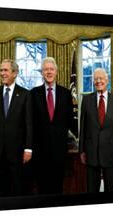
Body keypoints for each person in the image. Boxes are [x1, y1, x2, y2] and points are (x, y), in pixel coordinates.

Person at [0, 59, 33, 197]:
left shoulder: (25, 94)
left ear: (15, 73)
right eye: (1, 70)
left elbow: (29, 123)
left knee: (16, 188)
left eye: (6, 70)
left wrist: (28, 148)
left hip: (16, 152)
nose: (2, 73)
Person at [31, 57, 74, 195]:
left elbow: (70, 121)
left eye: (51, 69)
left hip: (59, 150)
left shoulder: (66, 94)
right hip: (40, 151)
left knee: (58, 187)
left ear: (56, 72)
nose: (48, 72)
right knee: (42, 188)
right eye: (45, 69)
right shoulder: (33, 94)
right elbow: (30, 122)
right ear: (42, 73)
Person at [79, 68, 113, 193]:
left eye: (101, 78)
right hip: (91, 153)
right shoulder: (86, 100)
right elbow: (83, 127)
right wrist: (81, 151)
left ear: (107, 80)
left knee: (111, 189)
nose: (98, 81)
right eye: (95, 79)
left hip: (111, 154)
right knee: (92, 190)